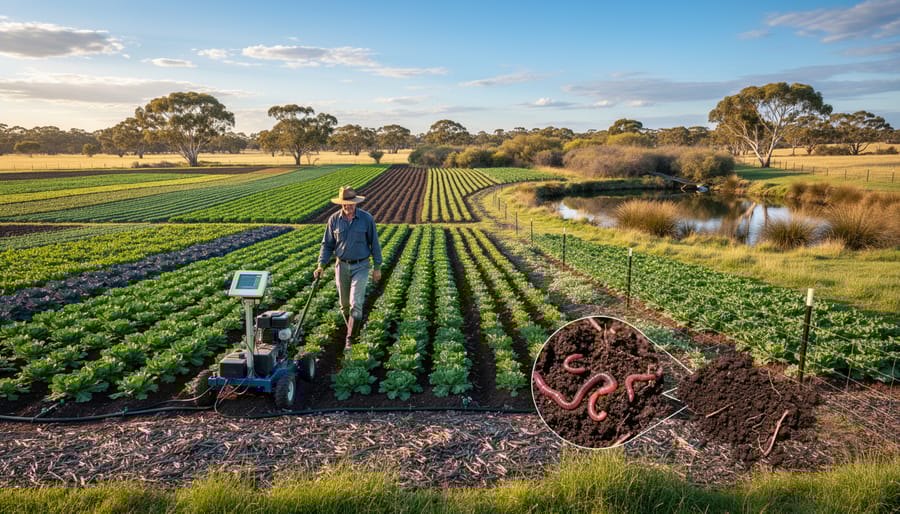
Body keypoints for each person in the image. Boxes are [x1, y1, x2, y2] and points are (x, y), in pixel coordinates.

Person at [314, 186, 383, 350]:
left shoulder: (366, 219)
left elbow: (374, 243)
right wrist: (321, 265)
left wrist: (377, 267)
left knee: (355, 303)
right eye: (345, 203)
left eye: (351, 203)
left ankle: (350, 339)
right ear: (341, 204)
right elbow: (327, 245)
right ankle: (354, 329)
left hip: (361, 265)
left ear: (356, 203)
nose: (348, 206)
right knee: (344, 305)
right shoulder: (334, 220)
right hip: (342, 265)